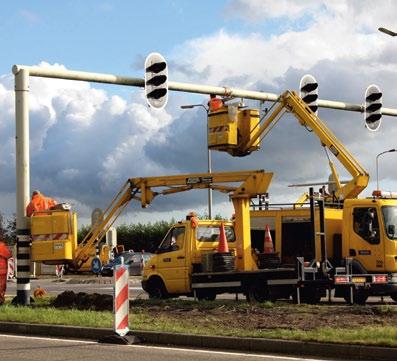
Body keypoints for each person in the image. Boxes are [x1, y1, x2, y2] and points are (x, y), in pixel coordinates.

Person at [0, 241, 12, 305]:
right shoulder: (1, 245)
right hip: (1, 271)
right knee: (1, 287)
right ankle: (0, 301)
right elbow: (8, 254)